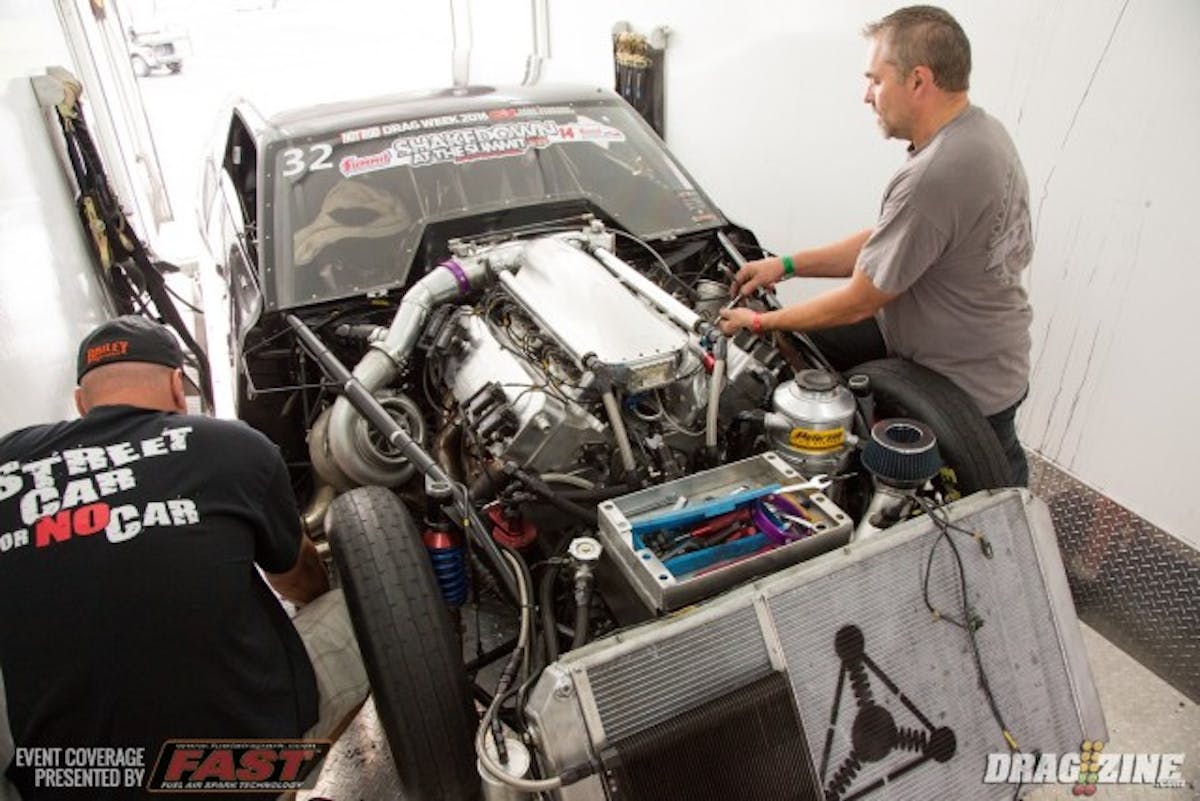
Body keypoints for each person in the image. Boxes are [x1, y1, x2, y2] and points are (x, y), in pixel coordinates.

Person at [0, 316, 367, 799]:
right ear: (177, 387)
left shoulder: (8, 463)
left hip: (68, 782)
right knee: (361, 611)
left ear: (81, 403)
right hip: (225, 773)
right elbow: (299, 584)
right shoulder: (230, 445)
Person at [719, 5, 1033, 486]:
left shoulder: (935, 175)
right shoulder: (979, 133)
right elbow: (889, 242)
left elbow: (860, 300)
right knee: (801, 344)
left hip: (962, 387)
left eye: (876, 80)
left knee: (990, 511)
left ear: (918, 81)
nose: (867, 96)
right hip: (984, 356)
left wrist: (759, 322)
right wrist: (784, 265)